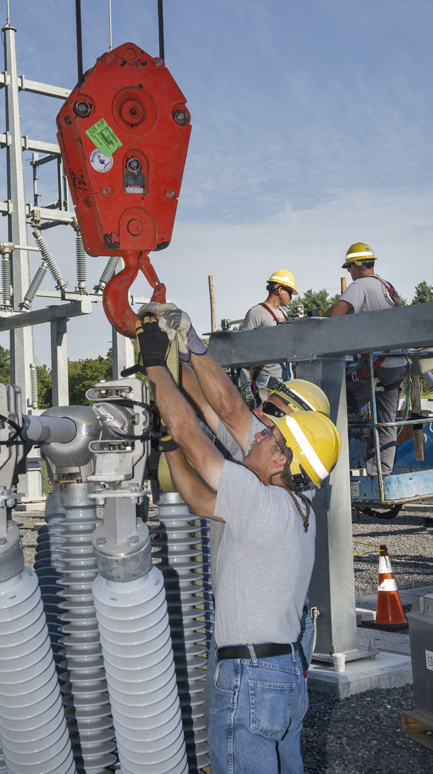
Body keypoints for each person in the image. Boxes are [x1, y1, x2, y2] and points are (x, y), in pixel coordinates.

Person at [135, 305, 341, 774]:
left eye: (272, 433)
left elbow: (199, 428)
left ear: (282, 461)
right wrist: (169, 437)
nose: (261, 432)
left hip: (249, 674)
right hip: (284, 671)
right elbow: (199, 500)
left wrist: (153, 365)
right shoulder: (298, 506)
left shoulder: (258, 498)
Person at [325, 242, 408, 477]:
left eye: (349, 267)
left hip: (378, 368)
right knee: (385, 421)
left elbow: (335, 314)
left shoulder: (359, 285)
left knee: (332, 398)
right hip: (397, 364)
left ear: (356, 265)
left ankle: (333, 467)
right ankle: (380, 473)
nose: (349, 272)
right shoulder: (387, 287)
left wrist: (322, 314)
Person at [243, 269, 299, 400]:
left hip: (287, 378)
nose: (291, 297)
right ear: (280, 290)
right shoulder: (256, 313)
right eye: (290, 292)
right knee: (267, 418)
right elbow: (244, 348)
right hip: (266, 380)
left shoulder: (284, 314)